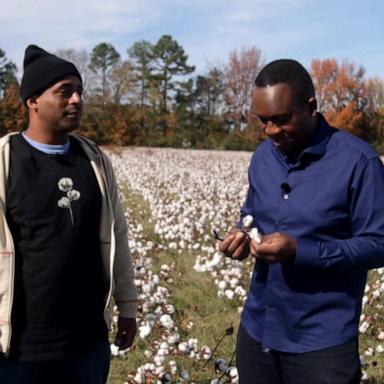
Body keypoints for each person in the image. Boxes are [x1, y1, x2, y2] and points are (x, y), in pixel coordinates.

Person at [219, 59, 384, 384]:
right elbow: (250, 215)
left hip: (321, 342)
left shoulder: (358, 163)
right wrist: (239, 237)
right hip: (258, 329)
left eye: (281, 120)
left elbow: (379, 244)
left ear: (311, 107)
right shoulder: (263, 157)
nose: (270, 131)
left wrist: (300, 250)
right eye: (263, 121)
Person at [0, 45, 138, 384]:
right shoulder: (5, 161)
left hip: (87, 346)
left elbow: (116, 235)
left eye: (79, 91)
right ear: (32, 100)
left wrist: (128, 306)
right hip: (20, 351)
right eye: (64, 92)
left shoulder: (94, 161)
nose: (76, 99)